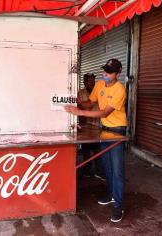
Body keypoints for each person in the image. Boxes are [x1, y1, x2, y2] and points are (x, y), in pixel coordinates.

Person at [65, 59, 127, 223]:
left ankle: (118, 205)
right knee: (107, 168)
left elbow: (104, 113)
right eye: (104, 71)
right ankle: (111, 194)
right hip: (104, 131)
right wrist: (73, 101)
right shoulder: (100, 85)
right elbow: (89, 103)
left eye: (109, 72)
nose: (105, 75)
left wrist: (79, 112)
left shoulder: (120, 89)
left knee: (117, 171)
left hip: (118, 131)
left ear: (118, 74)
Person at [77, 73, 104, 179]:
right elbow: (80, 107)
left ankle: (98, 171)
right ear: (84, 82)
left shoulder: (98, 93)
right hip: (85, 127)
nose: (91, 84)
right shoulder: (80, 93)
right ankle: (87, 171)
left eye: (93, 81)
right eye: (89, 82)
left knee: (98, 151)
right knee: (86, 151)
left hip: (97, 126)